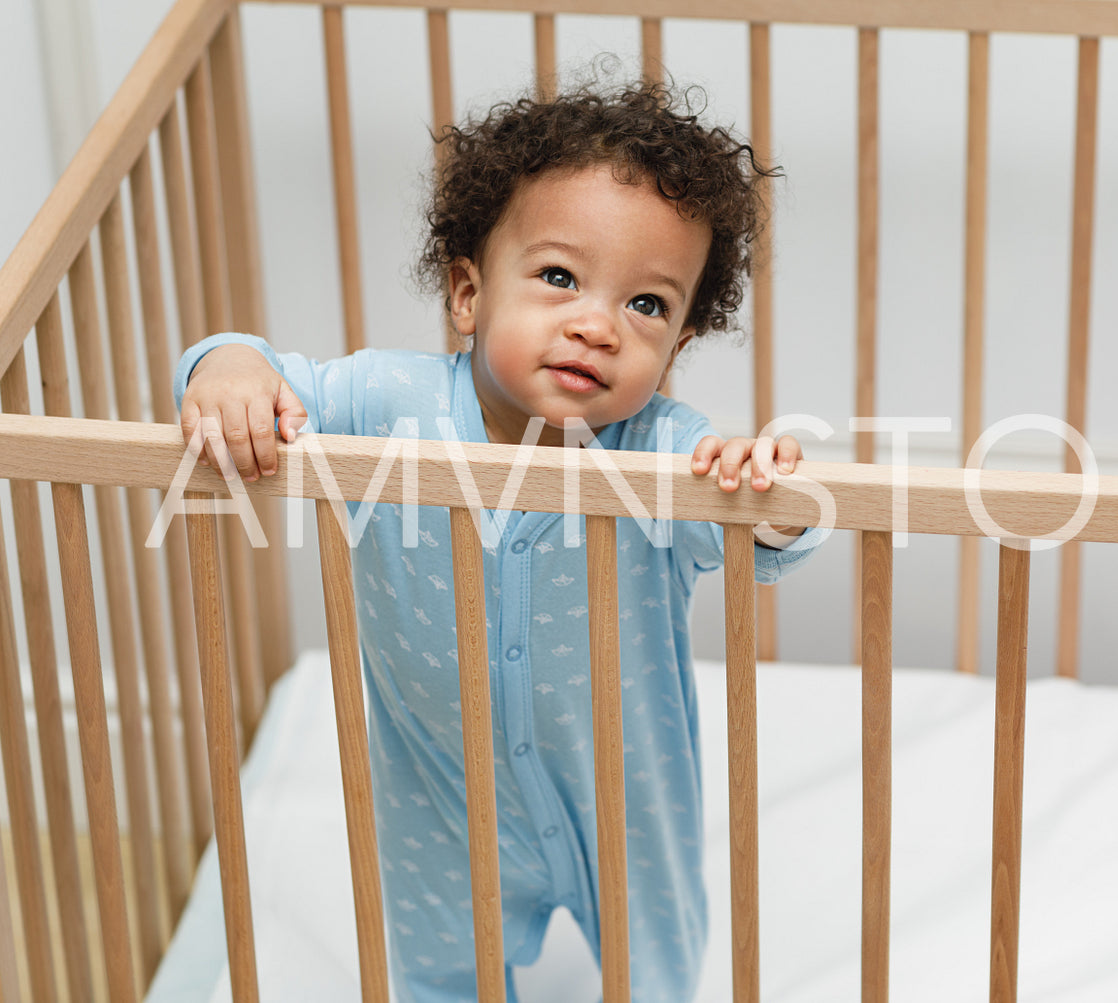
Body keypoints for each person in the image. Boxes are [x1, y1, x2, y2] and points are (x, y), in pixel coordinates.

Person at [175, 81, 825, 1002]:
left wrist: (768, 489)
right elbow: (267, 375)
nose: (597, 323)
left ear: (676, 346)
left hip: (627, 795)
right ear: (469, 292)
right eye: (559, 277)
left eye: (646, 304)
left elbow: (767, 534)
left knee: (657, 974)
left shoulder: (669, 452)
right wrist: (227, 366)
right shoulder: (385, 404)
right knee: (443, 974)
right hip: (440, 793)